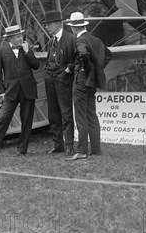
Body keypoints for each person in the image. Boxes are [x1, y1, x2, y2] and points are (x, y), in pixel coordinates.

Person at [0, 25, 40, 156]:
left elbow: (36, 66)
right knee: (2, 119)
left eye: (21, 35)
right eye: (18, 36)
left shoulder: (26, 48)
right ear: (10, 38)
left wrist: (28, 51)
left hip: (28, 89)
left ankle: (22, 149)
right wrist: (1, 91)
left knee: (26, 121)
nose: (21, 38)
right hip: (10, 91)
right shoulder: (1, 51)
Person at [66, 12, 111, 161]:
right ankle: (96, 149)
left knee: (80, 116)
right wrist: (97, 69)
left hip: (81, 81)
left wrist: (86, 68)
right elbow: (109, 54)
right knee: (92, 115)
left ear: (73, 28)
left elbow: (83, 54)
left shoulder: (80, 40)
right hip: (92, 82)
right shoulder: (96, 40)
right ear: (84, 25)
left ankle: (82, 150)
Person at [42, 10, 76, 155]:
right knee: (53, 114)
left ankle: (69, 145)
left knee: (66, 114)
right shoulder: (51, 42)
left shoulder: (71, 39)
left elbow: (76, 60)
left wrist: (65, 73)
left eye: (49, 24)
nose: (47, 27)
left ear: (57, 24)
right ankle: (58, 145)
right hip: (50, 81)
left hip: (63, 81)